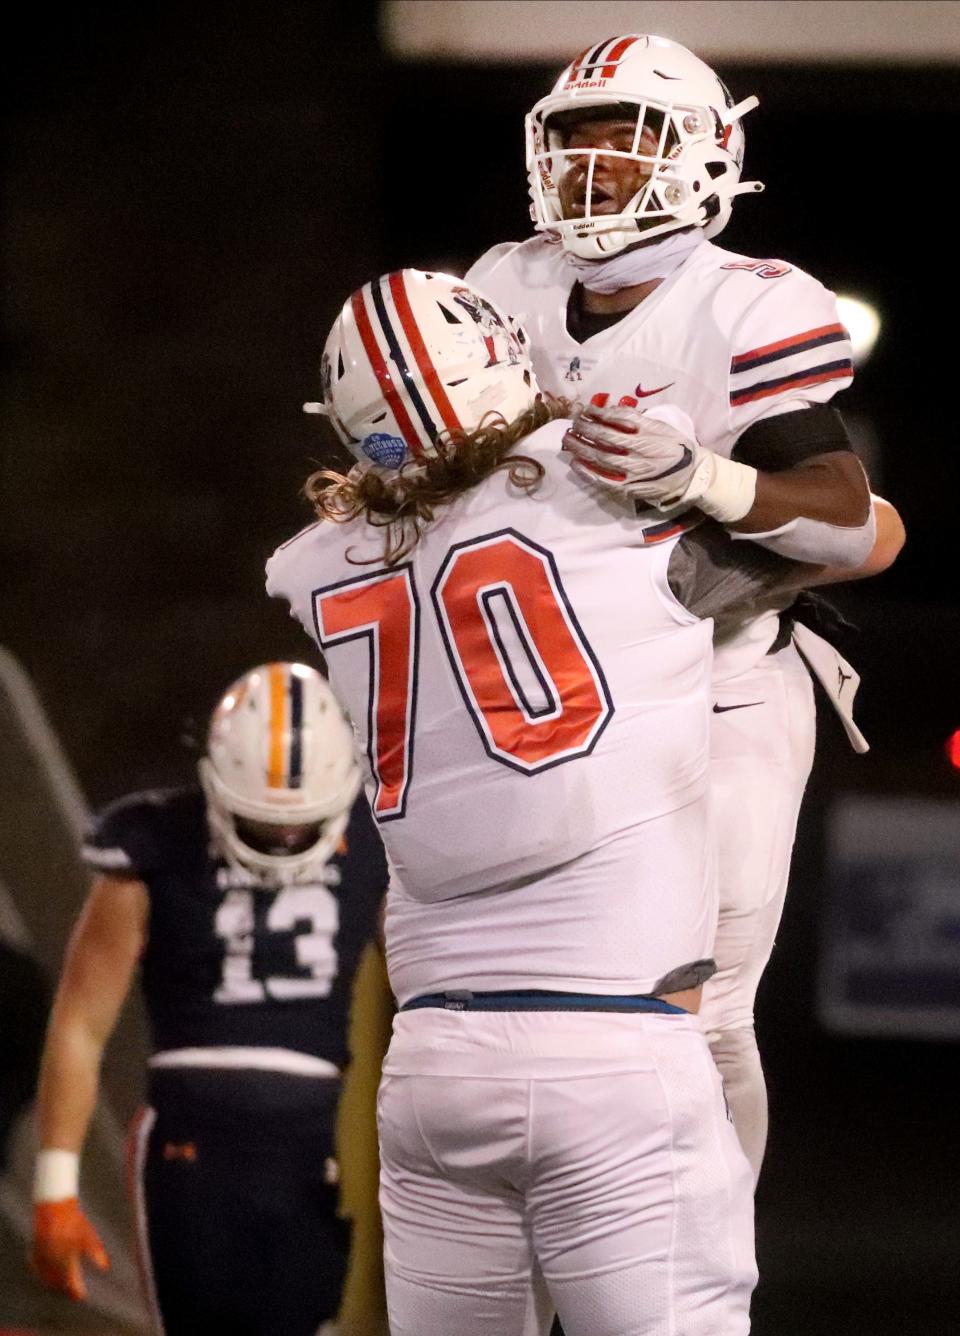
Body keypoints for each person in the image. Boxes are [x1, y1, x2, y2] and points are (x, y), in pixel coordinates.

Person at [261, 265, 879, 1335]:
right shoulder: (607, 507)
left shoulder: (319, 567)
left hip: (433, 1070)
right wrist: (717, 480)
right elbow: (859, 536)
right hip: (617, 1045)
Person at [465, 32, 905, 1181]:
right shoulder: (503, 285)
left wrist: (701, 478)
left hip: (721, 684)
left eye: (630, 140)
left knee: (698, 1006)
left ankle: (708, 1276)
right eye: (577, 143)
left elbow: (856, 525)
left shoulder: (744, 306)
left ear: (708, 157)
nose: (597, 168)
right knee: (546, 1004)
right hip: (558, 695)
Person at [30, 661, 388, 1336]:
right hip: (193, 1134)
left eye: (300, 824)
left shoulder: (375, 842)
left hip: (317, 1137)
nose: (283, 838)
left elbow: (425, 988)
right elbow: (80, 1022)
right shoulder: (159, 842)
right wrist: (54, 1184)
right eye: (262, 821)